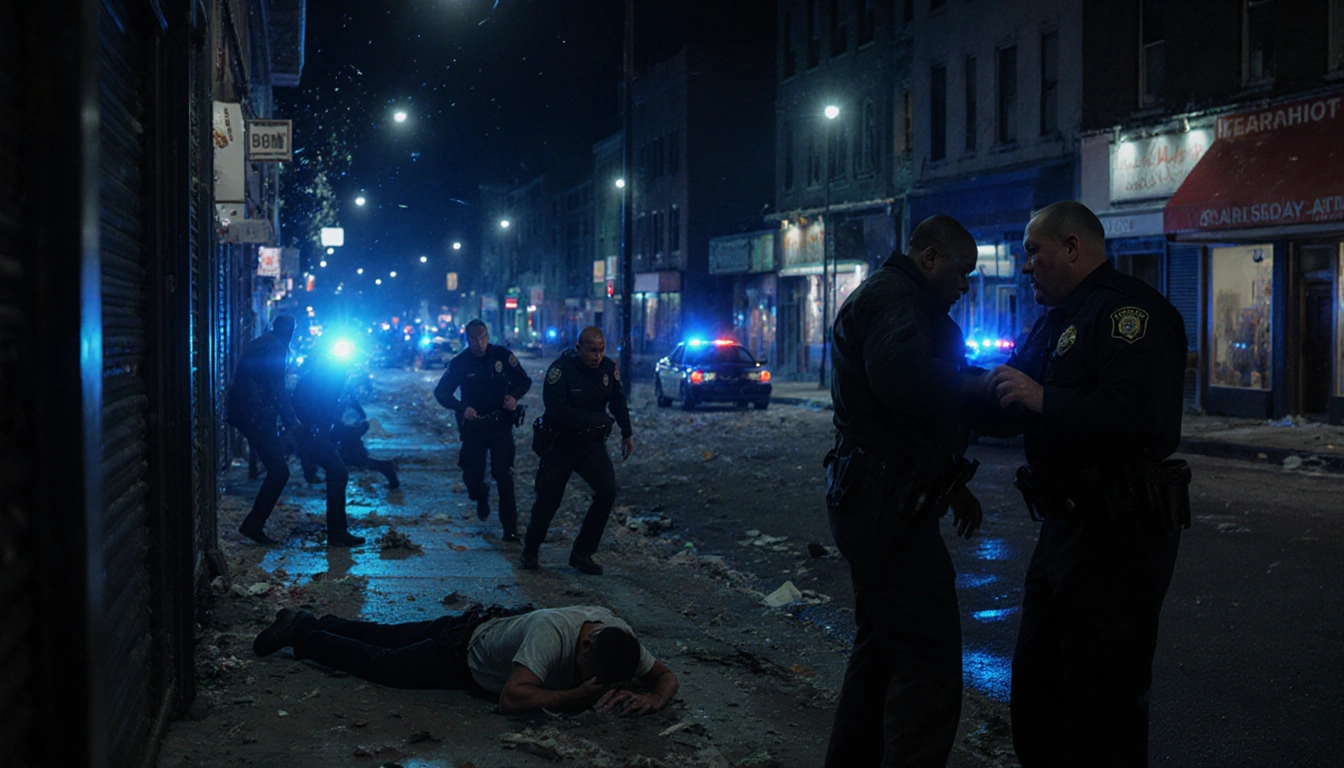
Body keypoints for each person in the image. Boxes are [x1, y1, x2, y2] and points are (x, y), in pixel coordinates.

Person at [984, 201, 1190, 767]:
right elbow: (1009, 400)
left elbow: (1137, 414)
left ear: (1072, 247)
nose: (1026, 267)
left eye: (1034, 251)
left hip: (1119, 533)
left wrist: (1045, 398)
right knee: (1036, 686)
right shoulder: (1057, 320)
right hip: (1064, 528)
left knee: (1103, 701)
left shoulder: (1130, 313)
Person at [822, 214, 988, 766]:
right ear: (930, 258)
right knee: (928, 657)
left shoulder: (898, 297)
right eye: (962, 272)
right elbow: (903, 380)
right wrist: (981, 389)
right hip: (885, 503)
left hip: (874, 495)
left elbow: (908, 416)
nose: (965, 286)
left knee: (881, 651)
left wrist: (951, 479)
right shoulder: (898, 299)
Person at [251, 603, 680, 716]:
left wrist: (655, 698)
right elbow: (512, 700)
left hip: (480, 624)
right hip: (459, 656)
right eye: (599, 679)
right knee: (379, 662)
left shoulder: (617, 638)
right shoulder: (552, 635)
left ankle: (312, 620)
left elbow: (664, 676)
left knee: (384, 634)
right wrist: (576, 696)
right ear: (585, 648)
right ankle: (303, 635)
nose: (606, 687)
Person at [522, 326, 633, 575]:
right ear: (578, 347)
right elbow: (557, 411)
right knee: (548, 501)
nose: (596, 356)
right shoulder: (560, 371)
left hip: (590, 446)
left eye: (601, 350)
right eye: (592, 350)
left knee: (607, 491)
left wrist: (627, 432)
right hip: (560, 445)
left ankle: (583, 552)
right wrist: (596, 420)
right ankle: (530, 549)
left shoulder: (606, 369)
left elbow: (618, 400)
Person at [434, 320, 533, 540]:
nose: (480, 343)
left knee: (504, 475)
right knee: (472, 477)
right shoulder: (460, 363)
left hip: (500, 425)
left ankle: (510, 529)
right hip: (474, 427)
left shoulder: (501, 356)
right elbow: (441, 393)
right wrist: (462, 408)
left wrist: (514, 397)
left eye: (483, 337)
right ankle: (480, 495)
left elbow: (524, 380)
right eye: (475, 339)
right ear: (467, 340)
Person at [228, 315, 304, 545]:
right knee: (279, 472)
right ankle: (253, 525)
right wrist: (292, 420)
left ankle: (254, 524)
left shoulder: (263, 341)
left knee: (276, 468)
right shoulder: (277, 348)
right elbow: (276, 387)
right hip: (256, 415)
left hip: (248, 412)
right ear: (290, 331)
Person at [289, 350, 368, 547]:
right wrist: (318, 429)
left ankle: (338, 532)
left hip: (312, 433)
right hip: (313, 434)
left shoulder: (318, 377)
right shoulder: (330, 380)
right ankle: (337, 533)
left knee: (337, 473)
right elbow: (322, 410)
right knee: (338, 472)